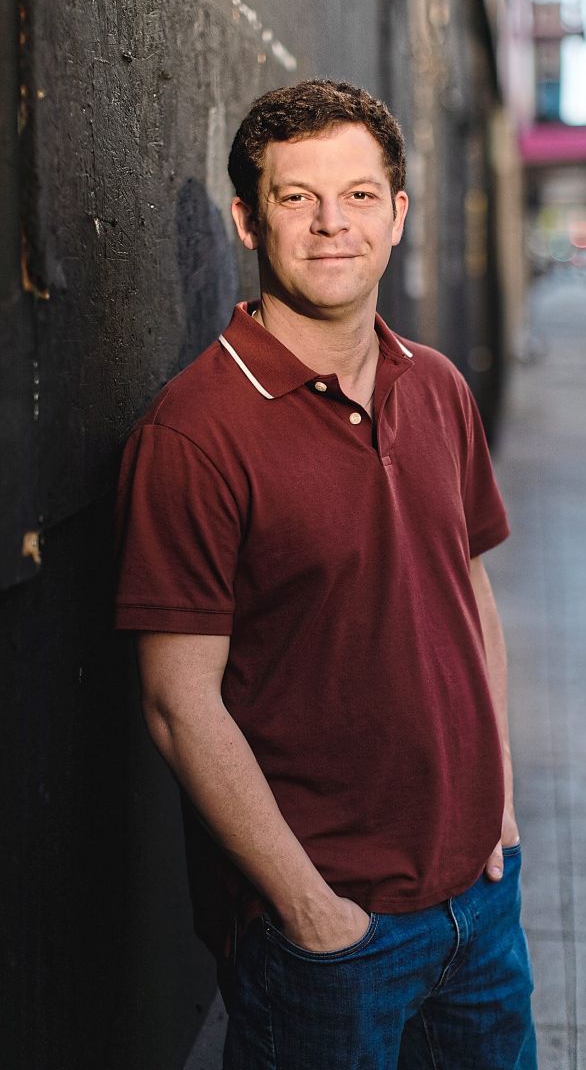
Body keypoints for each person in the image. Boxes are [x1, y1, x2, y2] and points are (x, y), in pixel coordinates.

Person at [114, 79, 537, 1069]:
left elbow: (466, 594)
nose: (329, 223)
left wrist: (499, 801)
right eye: (296, 196)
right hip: (327, 938)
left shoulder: (436, 387)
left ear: (396, 213)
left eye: (356, 195)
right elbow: (178, 703)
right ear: (246, 220)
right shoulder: (193, 431)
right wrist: (310, 910)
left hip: (479, 901)